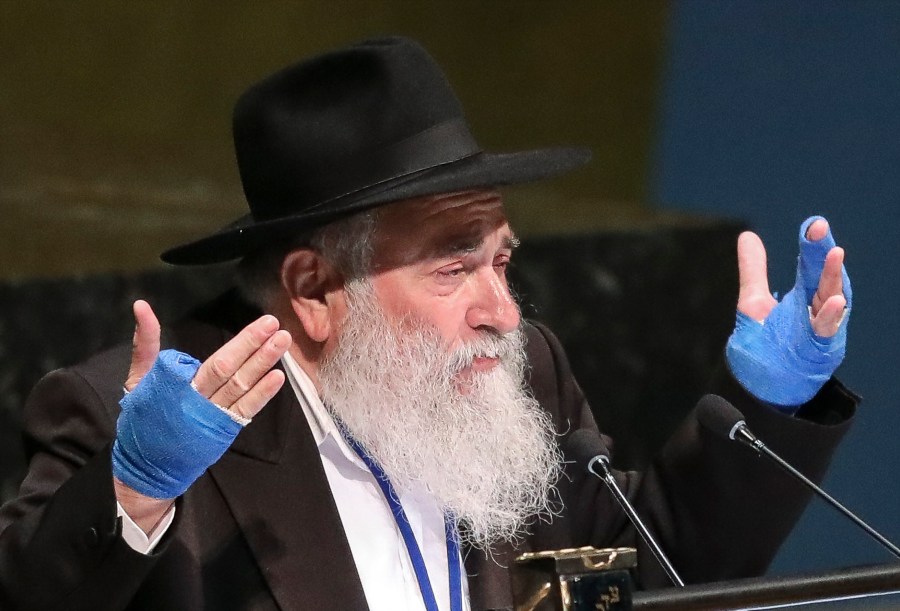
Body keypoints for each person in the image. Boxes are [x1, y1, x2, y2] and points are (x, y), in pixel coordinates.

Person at [0, 37, 856, 611]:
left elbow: (659, 569)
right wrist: (135, 489)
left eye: (502, 261)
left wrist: (765, 401)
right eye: (454, 267)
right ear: (314, 286)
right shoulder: (137, 416)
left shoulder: (515, 373)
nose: (503, 314)